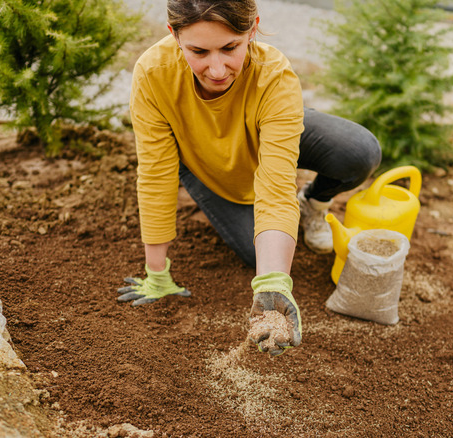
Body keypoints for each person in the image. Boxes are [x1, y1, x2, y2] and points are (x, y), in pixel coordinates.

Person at [117, 0, 381, 356]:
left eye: (230, 48)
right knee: (252, 251)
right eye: (198, 51)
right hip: (205, 164)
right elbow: (156, 174)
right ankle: (247, 210)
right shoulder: (153, 73)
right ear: (174, 36)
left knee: (358, 151)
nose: (216, 69)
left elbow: (275, 186)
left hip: (263, 133)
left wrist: (273, 282)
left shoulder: (273, 74)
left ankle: (311, 203)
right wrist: (157, 273)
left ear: (251, 30)